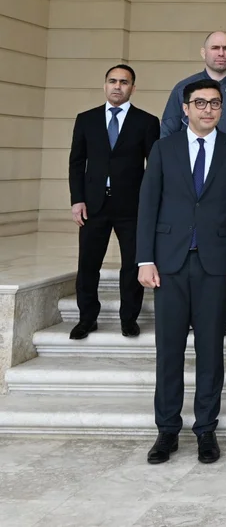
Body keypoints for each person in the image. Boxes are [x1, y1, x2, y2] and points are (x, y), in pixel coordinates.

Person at [137, 79, 226, 465]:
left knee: (210, 351)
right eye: (200, 103)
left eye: (215, 103)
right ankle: (167, 430)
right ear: (185, 108)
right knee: (168, 351)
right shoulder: (163, 148)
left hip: (216, 265)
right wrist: (144, 259)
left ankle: (206, 429)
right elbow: (148, 205)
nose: (208, 109)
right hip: (168, 264)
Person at [68, 64, 160, 339]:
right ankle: (87, 318)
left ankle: (129, 319)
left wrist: (150, 205)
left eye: (124, 82)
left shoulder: (147, 121)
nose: (117, 86)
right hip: (93, 205)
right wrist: (77, 200)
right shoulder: (86, 119)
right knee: (88, 264)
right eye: (112, 81)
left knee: (132, 265)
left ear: (133, 87)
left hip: (132, 206)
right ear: (105, 85)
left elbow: (154, 168)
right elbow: (76, 163)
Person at [159, 31, 226, 139]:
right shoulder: (183, 88)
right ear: (203, 53)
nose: (221, 53)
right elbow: (167, 133)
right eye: (215, 48)